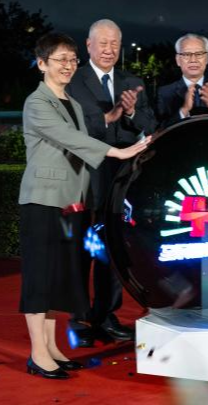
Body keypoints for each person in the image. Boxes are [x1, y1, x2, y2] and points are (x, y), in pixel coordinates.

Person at [19, 32, 151, 379]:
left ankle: (50, 348)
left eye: (72, 59)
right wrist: (119, 152)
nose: (68, 65)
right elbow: (73, 140)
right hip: (42, 198)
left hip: (69, 202)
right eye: (60, 59)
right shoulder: (37, 102)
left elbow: (88, 136)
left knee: (57, 277)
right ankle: (37, 354)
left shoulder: (73, 104)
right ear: (42, 63)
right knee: (39, 278)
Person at [65, 18, 157, 346]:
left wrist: (131, 115)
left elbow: (150, 123)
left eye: (115, 43)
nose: (109, 49)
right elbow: (72, 129)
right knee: (81, 250)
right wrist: (109, 119)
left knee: (112, 249)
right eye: (102, 43)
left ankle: (106, 315)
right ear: (88, 45)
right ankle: (79, 318)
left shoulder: (132, 82)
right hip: (83, 177)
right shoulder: (72, 81)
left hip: (121, 180)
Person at [155, 33, 208, 128]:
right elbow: (158, 130)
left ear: (207, 59)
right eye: (186, 54)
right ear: (178, 60)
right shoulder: (165, 93)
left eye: (199, 54)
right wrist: (183, 110)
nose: (193, 60)